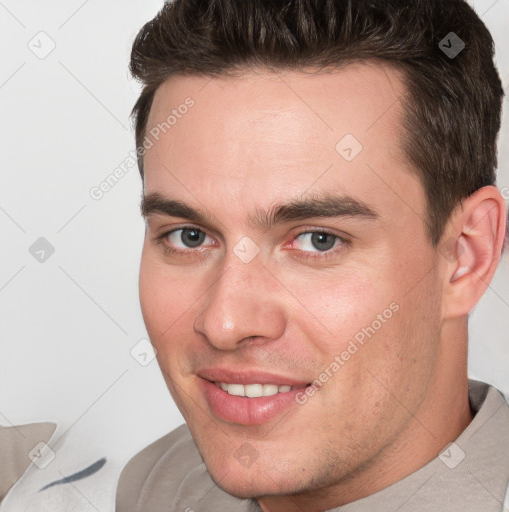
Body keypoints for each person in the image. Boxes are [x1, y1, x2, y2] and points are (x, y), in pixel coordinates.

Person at [116, 0, 509, 510]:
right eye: (189, 236)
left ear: (466, 256)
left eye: (317, 240)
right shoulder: (156, 483)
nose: (225, 323)